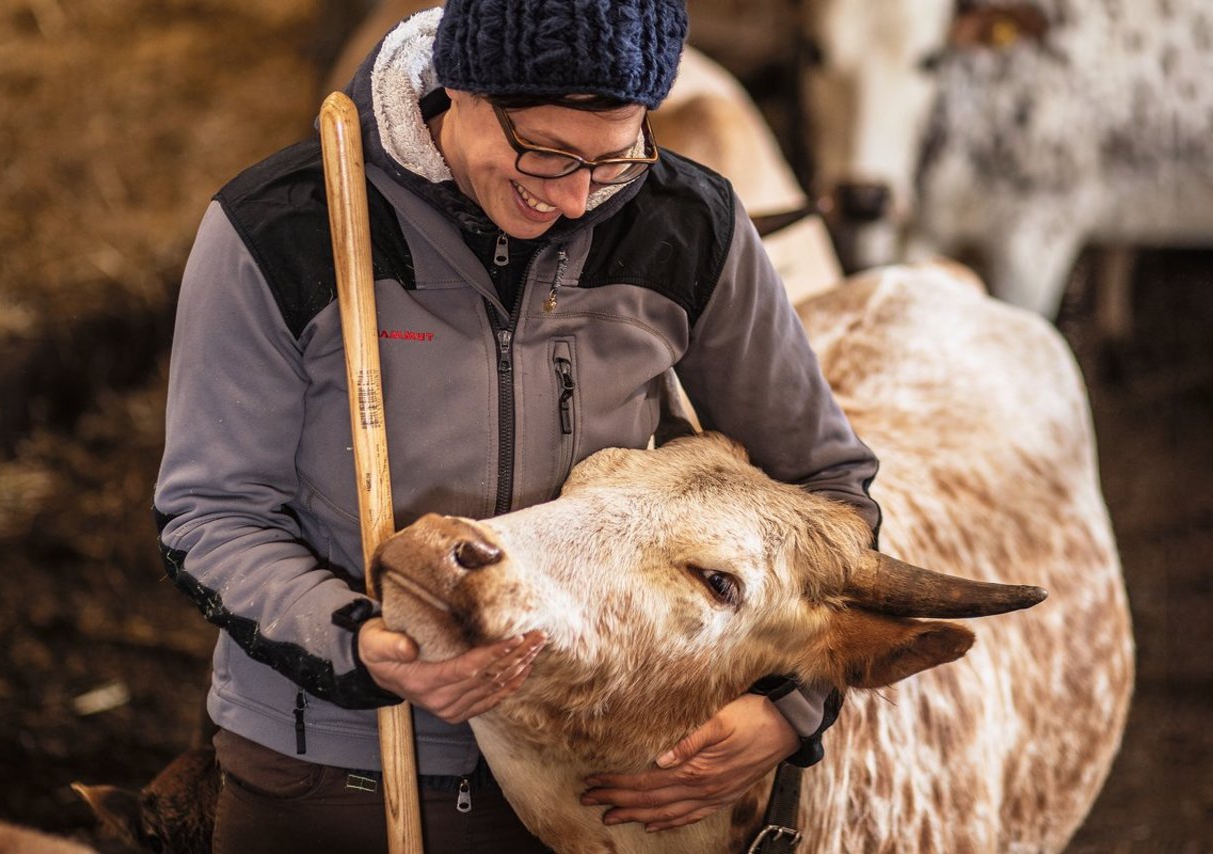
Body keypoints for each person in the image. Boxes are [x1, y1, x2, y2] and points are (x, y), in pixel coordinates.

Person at [153, 1, 881, 850]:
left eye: (614, 159)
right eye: (546, 151)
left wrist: (789, 709)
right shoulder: (280, 228)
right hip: (329, 770)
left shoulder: (688, 223)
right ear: (458, 88)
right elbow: (212, 515)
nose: (573, 199)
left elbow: (827, 492)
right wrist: (360, 646)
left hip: (591, 778)